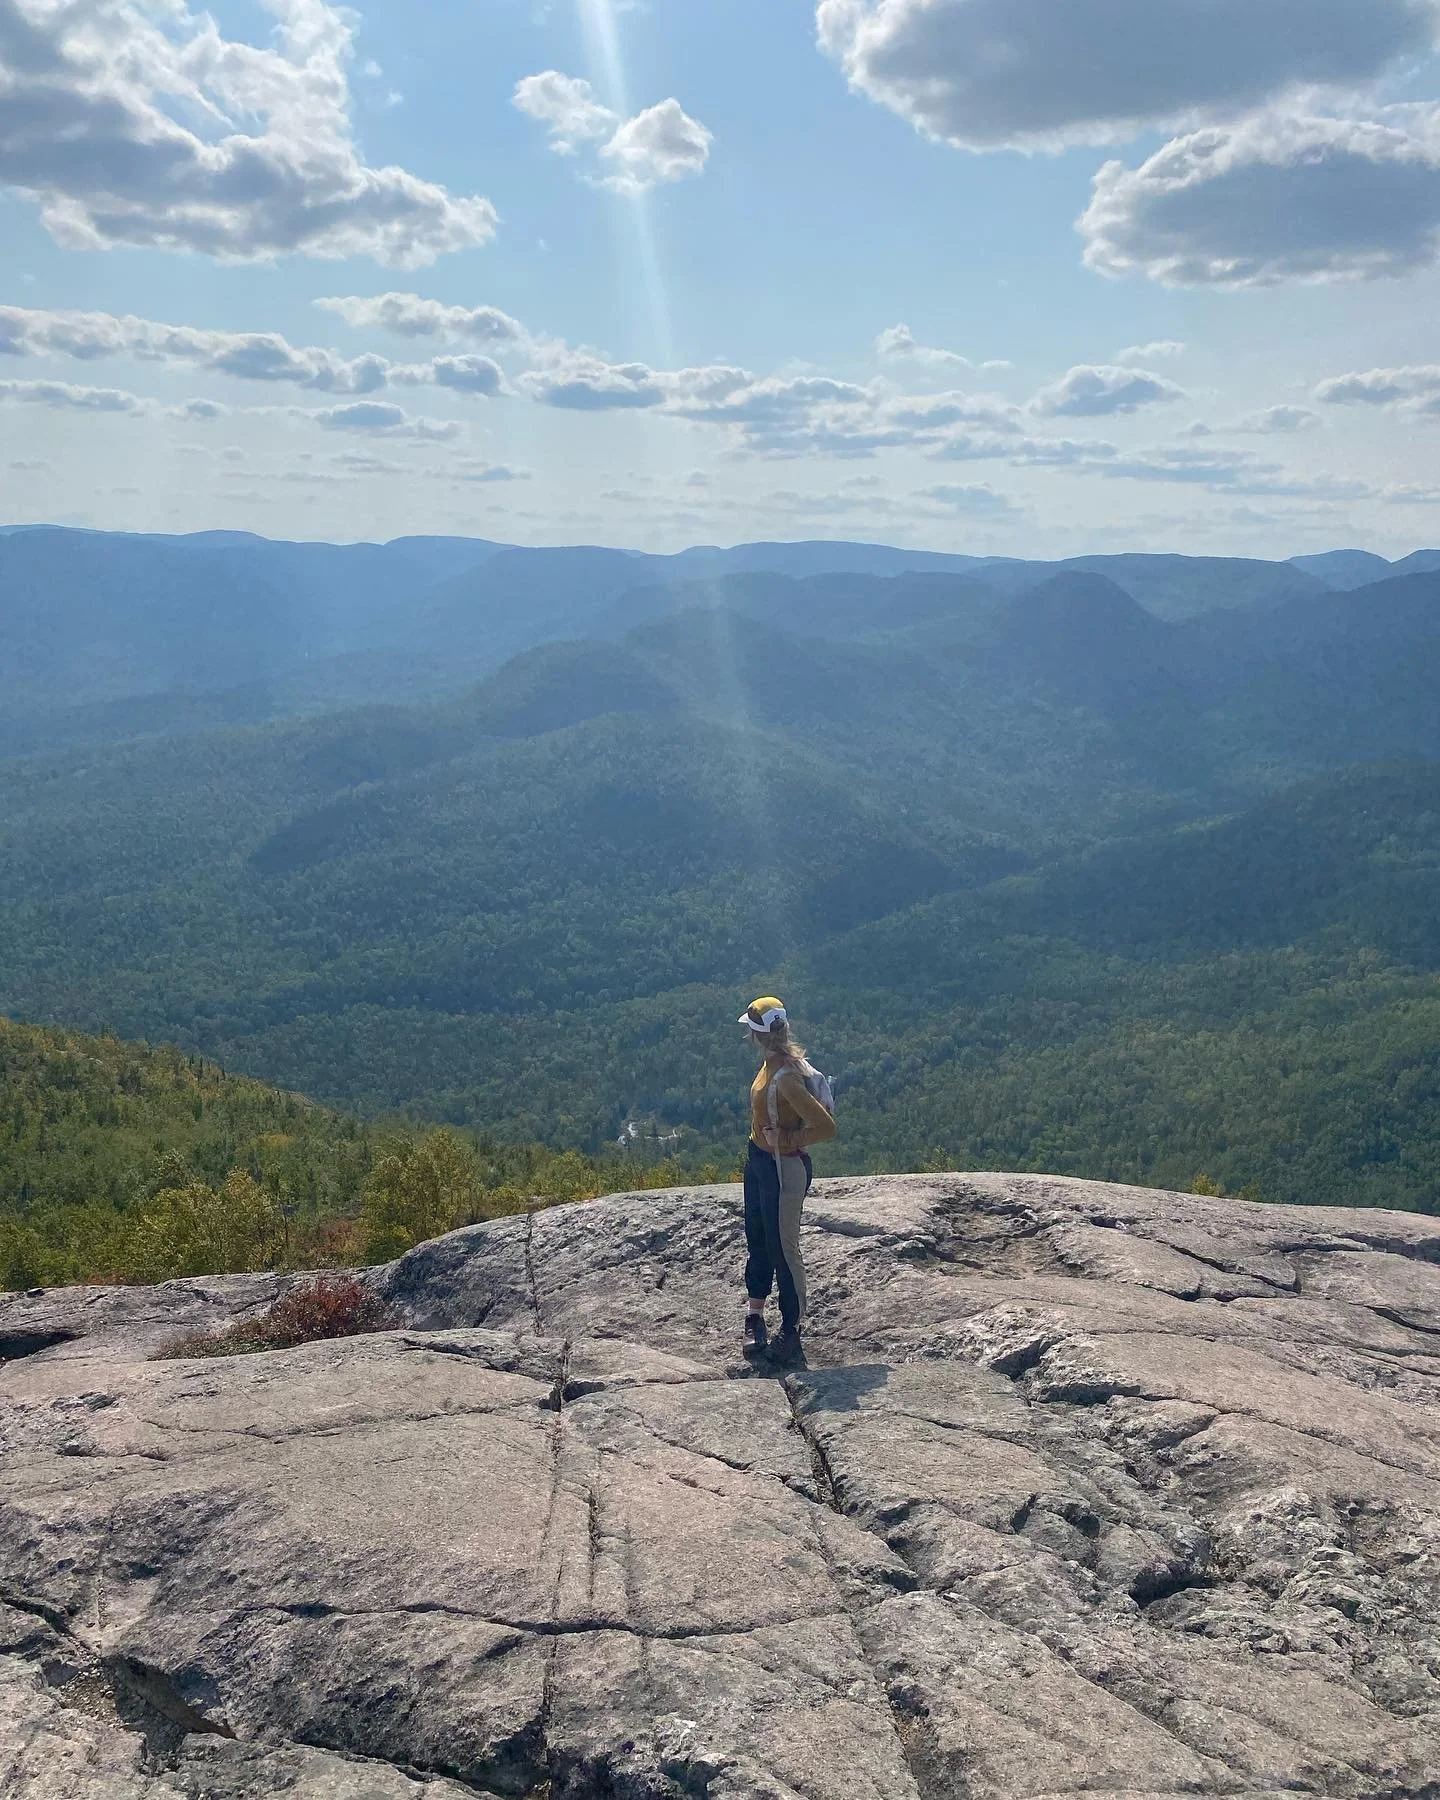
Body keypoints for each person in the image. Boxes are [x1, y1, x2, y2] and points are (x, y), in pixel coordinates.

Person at [737, 997, 836, 1361]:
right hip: (760, 1161)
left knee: (783, 1247)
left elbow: (826, 1127)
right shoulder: (772, 1065)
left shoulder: (787, 1077)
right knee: (759, 1237)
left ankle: (791, 1329)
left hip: (784, 1167)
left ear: (755, 1034)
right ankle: (755, 1315)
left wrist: (788, 1140)